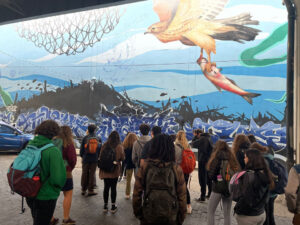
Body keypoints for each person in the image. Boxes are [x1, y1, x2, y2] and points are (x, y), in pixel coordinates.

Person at [133, 134, 187, 225]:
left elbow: (136, 194)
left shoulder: (145, 167)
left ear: (153, 148)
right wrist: (180, 218)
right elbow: (182, 197)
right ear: (171, 149)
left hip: (149, 214)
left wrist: (139, 214)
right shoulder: (176, 169)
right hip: (170, 216)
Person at [25, 120, 66, 225]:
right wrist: (55, 190)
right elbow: (58, 179)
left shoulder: (30, 145)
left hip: (30, 193)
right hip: (46, 196)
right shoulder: (53, 151)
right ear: (54, 134)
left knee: (37, 219)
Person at [234, 149, 274, 225]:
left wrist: (238, 208)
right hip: (260, 213)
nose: (244, 159)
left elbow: (243, 196)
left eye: (245, 157)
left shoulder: (248, 175)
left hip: (247, 215)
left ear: (250, 159)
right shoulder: (265, 173)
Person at [206, 140, 240, 225]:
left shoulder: (217, 157)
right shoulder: (232, 157)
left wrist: (219, 178)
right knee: (227, 213)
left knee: (211, 211)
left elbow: (211, 175)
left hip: (217, 188)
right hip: (229, 188)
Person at [55, 126, 77, 225]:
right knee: (68, 194)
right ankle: (66, 219)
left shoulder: (53, 142)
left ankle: (50, 218)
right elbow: (73, 160)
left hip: (52, 172)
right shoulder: (69, 143)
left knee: (52, 195)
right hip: (65, 172)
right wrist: (69, 169)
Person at [250, 142, 277, 225]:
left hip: (266, 191)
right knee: (270, 213)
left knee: (266, 215)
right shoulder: (270, 157)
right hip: (273, 190)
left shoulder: (262, 160)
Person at [99, 131, 125, 213]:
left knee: (106, 187)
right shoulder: (119, 147)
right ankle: (113, 207)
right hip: (114, 170)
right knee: (113, 188)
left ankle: (105, 206)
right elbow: (122, 158)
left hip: (105, 170)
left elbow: (100, 156)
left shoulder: (104, 145)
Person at [80, 124, 101, 196]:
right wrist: (98, 157)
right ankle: (90, 190)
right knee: (92, 174)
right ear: (95, 130)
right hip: (94, 159)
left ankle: (83, 189)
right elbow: (100, 149)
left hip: (86, 158)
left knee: (84, 173)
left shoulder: (85, 138)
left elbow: (81, 149)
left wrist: (82, 156)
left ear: (88, 130)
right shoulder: (98, 138)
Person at [191, 129, 213, 201]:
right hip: (208, 161)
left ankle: (202, 196)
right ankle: (210, 193)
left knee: (202, 178)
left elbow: (193, 144)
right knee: (209, 178)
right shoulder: (208, 138)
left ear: (198, 133)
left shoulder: (202, 139)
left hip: (203, 161)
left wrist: (195, 137)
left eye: (194, 133)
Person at [175, 130, 192, 214]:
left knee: (176, 187)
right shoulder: (187, 145)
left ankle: (178, 205)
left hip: (177, 170)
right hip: (186, 170)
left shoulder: (175, 146)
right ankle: (188, 205)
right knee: (185, 187)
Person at [123, 132, 138, 199]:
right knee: (137, 179)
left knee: (128, 180)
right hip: (136, 164)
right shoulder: (137, 146)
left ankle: (127, 194)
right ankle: (136, 192)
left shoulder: (125, 146)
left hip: (129, 164)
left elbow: (124, 158)